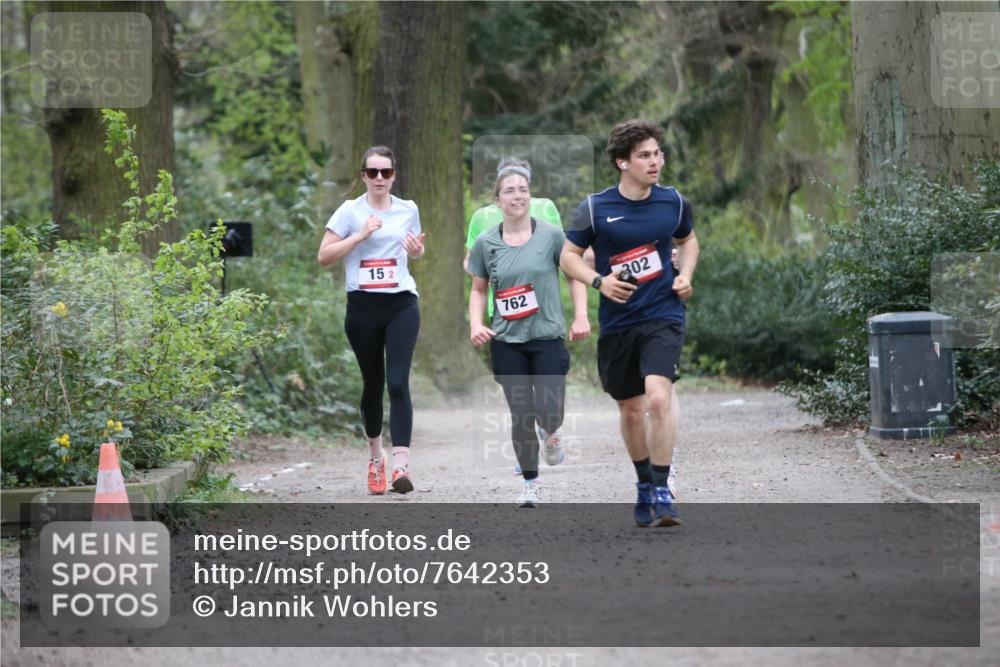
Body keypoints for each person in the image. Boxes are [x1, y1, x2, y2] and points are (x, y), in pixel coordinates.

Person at [560, 120, 699, 527]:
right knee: (631, 411)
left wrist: (686, 275)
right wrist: (599, 282)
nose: (655, 162)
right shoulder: (594, 208)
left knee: (658, 398)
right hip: (619, 322)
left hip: (663, 314)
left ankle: (662, 490)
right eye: (644, 156)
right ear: (622, 162)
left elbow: (688, 240)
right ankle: (643, 483)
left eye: (657, 153)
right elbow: (568, 256)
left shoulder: (673, 203)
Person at [467, 163, 589, 506]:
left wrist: (581, 316)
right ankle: (530, 484)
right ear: (497, 200)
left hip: (547, 336)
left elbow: (574, 275)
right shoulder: (485, 243)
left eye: (522, 189)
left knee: (549, 412)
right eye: (509, 190)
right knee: (521, 414)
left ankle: (551, 431)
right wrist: (476, 324)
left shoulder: (551, 236)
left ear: (530, 196)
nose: (517, 196)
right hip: (507, 340)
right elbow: (478, 290)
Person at [317, 145, 425, 495]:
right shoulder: (349, 211)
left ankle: (401, 467)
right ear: (363, 176)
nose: (380, 178)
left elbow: (416, 248)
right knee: (373, 384)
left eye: (386, 172)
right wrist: (360, 235)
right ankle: (376, 457)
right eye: (373, 172)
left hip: (401, 303)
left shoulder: (408, 209)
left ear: (394, 176)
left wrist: (417, 251)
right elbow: (324, 256)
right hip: (362, 307)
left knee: (398, 383)